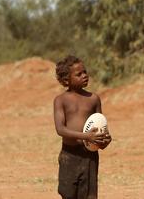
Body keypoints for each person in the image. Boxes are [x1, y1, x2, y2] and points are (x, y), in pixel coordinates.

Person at [53, 55, 112, 199]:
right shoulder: (61, 100)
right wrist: (86, 136)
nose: (85, 76)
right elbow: (60, 129)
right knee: (68, 194)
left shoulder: (93, 99)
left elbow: (101, 125)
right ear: (66, 80)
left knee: (89, 195)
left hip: (89, 156)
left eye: (85, 72)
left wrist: (104, 140)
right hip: (70, 155)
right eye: (79, 74)